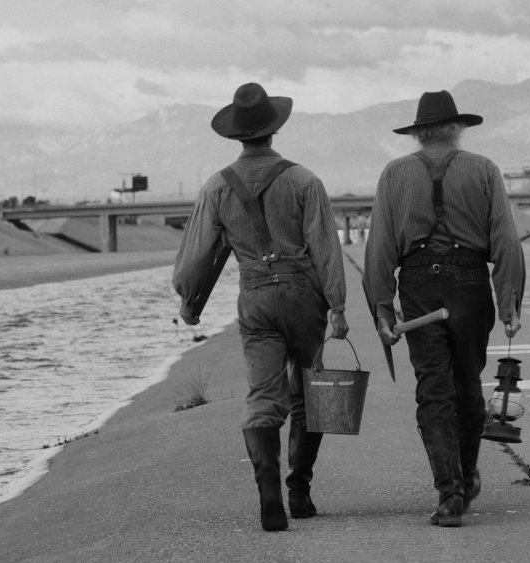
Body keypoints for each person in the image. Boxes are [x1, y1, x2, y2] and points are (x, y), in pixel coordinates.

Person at [172, 82, 348, 532]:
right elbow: (325, 248)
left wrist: (189, 300)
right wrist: (338, 306)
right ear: (274, 131)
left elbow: (196, 255)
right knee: (310, 390)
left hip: (254, 297)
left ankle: (268, 491)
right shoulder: (304, 180)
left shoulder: (216, 186)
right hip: (303, 296)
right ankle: (299, 491)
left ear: (237, 135)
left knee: (263, 395)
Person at [362, 90, 525, 527]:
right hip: (470, 283)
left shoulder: (394, 174)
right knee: (467, 383)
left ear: (418, 133)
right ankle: (466, 480)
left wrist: (382, 308)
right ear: (456, 129)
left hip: (418, 285)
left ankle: (450, 494)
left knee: (433, 388)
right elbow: (505, 239)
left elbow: (379, 247)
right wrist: (508, 302)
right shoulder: (484, 169)